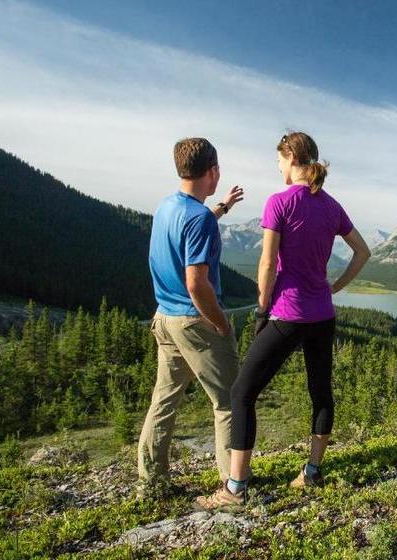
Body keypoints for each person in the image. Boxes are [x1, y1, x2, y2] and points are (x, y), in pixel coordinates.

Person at [196, 131, 370, 509]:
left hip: (288, 314)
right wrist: (335, 286)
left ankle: (235, 489)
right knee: (320, 392)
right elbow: (363, 251)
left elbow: (266, 264)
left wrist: (261, 310)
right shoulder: (332, 206)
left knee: (242, 393)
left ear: (291, 157)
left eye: (278, 160)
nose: (277, 167)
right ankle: (311, 472)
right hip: (322, 315)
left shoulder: (279, 202)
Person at [137, 137, 245, 496]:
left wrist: (221, 208)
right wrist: (220, 322)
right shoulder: (199, 219)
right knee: (229, 400)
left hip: (164, 318)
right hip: (195, 322)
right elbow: (197, 283)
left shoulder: (168, 206)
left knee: (164, 400)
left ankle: (151, 482)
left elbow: (191, 227)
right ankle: (231, 483)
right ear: (212, 171)